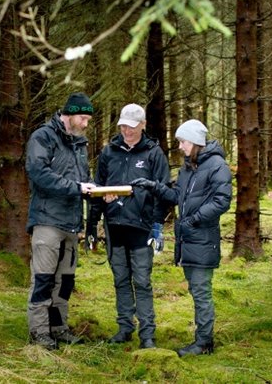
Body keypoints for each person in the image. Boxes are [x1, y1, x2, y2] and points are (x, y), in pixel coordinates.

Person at [131, 119, 231, 357]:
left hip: (203, 238)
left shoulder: (217, 165)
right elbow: (177, 195)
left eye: (183, 142)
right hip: (188, 239)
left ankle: (204, 343)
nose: (181, 147)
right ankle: (202, 339)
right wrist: (153, 186)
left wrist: (194, 219)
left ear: (195, 141)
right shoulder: (188, 167)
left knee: (201, 291)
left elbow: (222, 200)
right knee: (197, 290)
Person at [86, 104, 170, 350]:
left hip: (141, 228)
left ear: (142, 125)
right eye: (123, 126)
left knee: (142, 281)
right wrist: (92, 224)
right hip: (114, 226)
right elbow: (97, 188)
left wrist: (156, 226)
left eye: (131, 127)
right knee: (120, 279)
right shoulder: (109, 152)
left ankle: (147, 334)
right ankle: (125, 327)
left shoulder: (154, 154)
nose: (126, 131)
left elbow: (162, 193)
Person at [24, 92, 97, 350]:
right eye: (83, 118)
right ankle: (39, 333)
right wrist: (77, 187)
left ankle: (59, 328)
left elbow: (84, 180)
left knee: (64, 282)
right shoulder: (43, 137)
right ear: (69, 114)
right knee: (43, 279)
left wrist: (99, 192)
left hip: (71, 224)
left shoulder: (80, 144)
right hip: (47, 221)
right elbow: (38, 173)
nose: (86, 123)